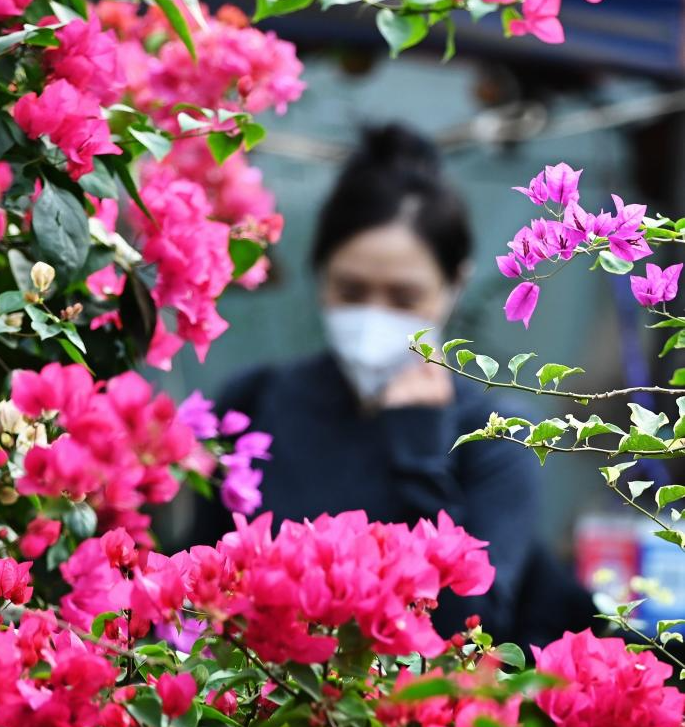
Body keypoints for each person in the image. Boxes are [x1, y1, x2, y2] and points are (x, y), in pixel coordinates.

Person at [191, 123, 595, 647]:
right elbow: (199, 585)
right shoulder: (253, 402)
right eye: (352, 290)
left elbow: (471, 631)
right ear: (320, 276)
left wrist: (421, 451)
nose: (373, 316)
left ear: (454, 286)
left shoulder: (494, 438)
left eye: (404, 298)